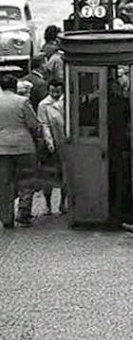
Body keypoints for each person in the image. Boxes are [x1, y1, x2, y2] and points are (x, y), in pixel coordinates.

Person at [0, 73, 40, 227]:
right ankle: (23, 213)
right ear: (15, 86)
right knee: (26, 179)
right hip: (24, 145)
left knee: (5, 183)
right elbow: (33, 124)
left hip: (2, 147)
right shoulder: (22, 101)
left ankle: (6, 217)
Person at [37, 79, 67, 215]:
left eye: (57, 91)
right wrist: (49, 141)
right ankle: (48, 204)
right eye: (52, 91)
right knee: (49, 175)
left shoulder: (67, 102)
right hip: (51, 144)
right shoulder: (43, 105)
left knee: (65, 175)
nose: (55, 94)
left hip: (66, 142)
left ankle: (63, 203)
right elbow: (43, 124)